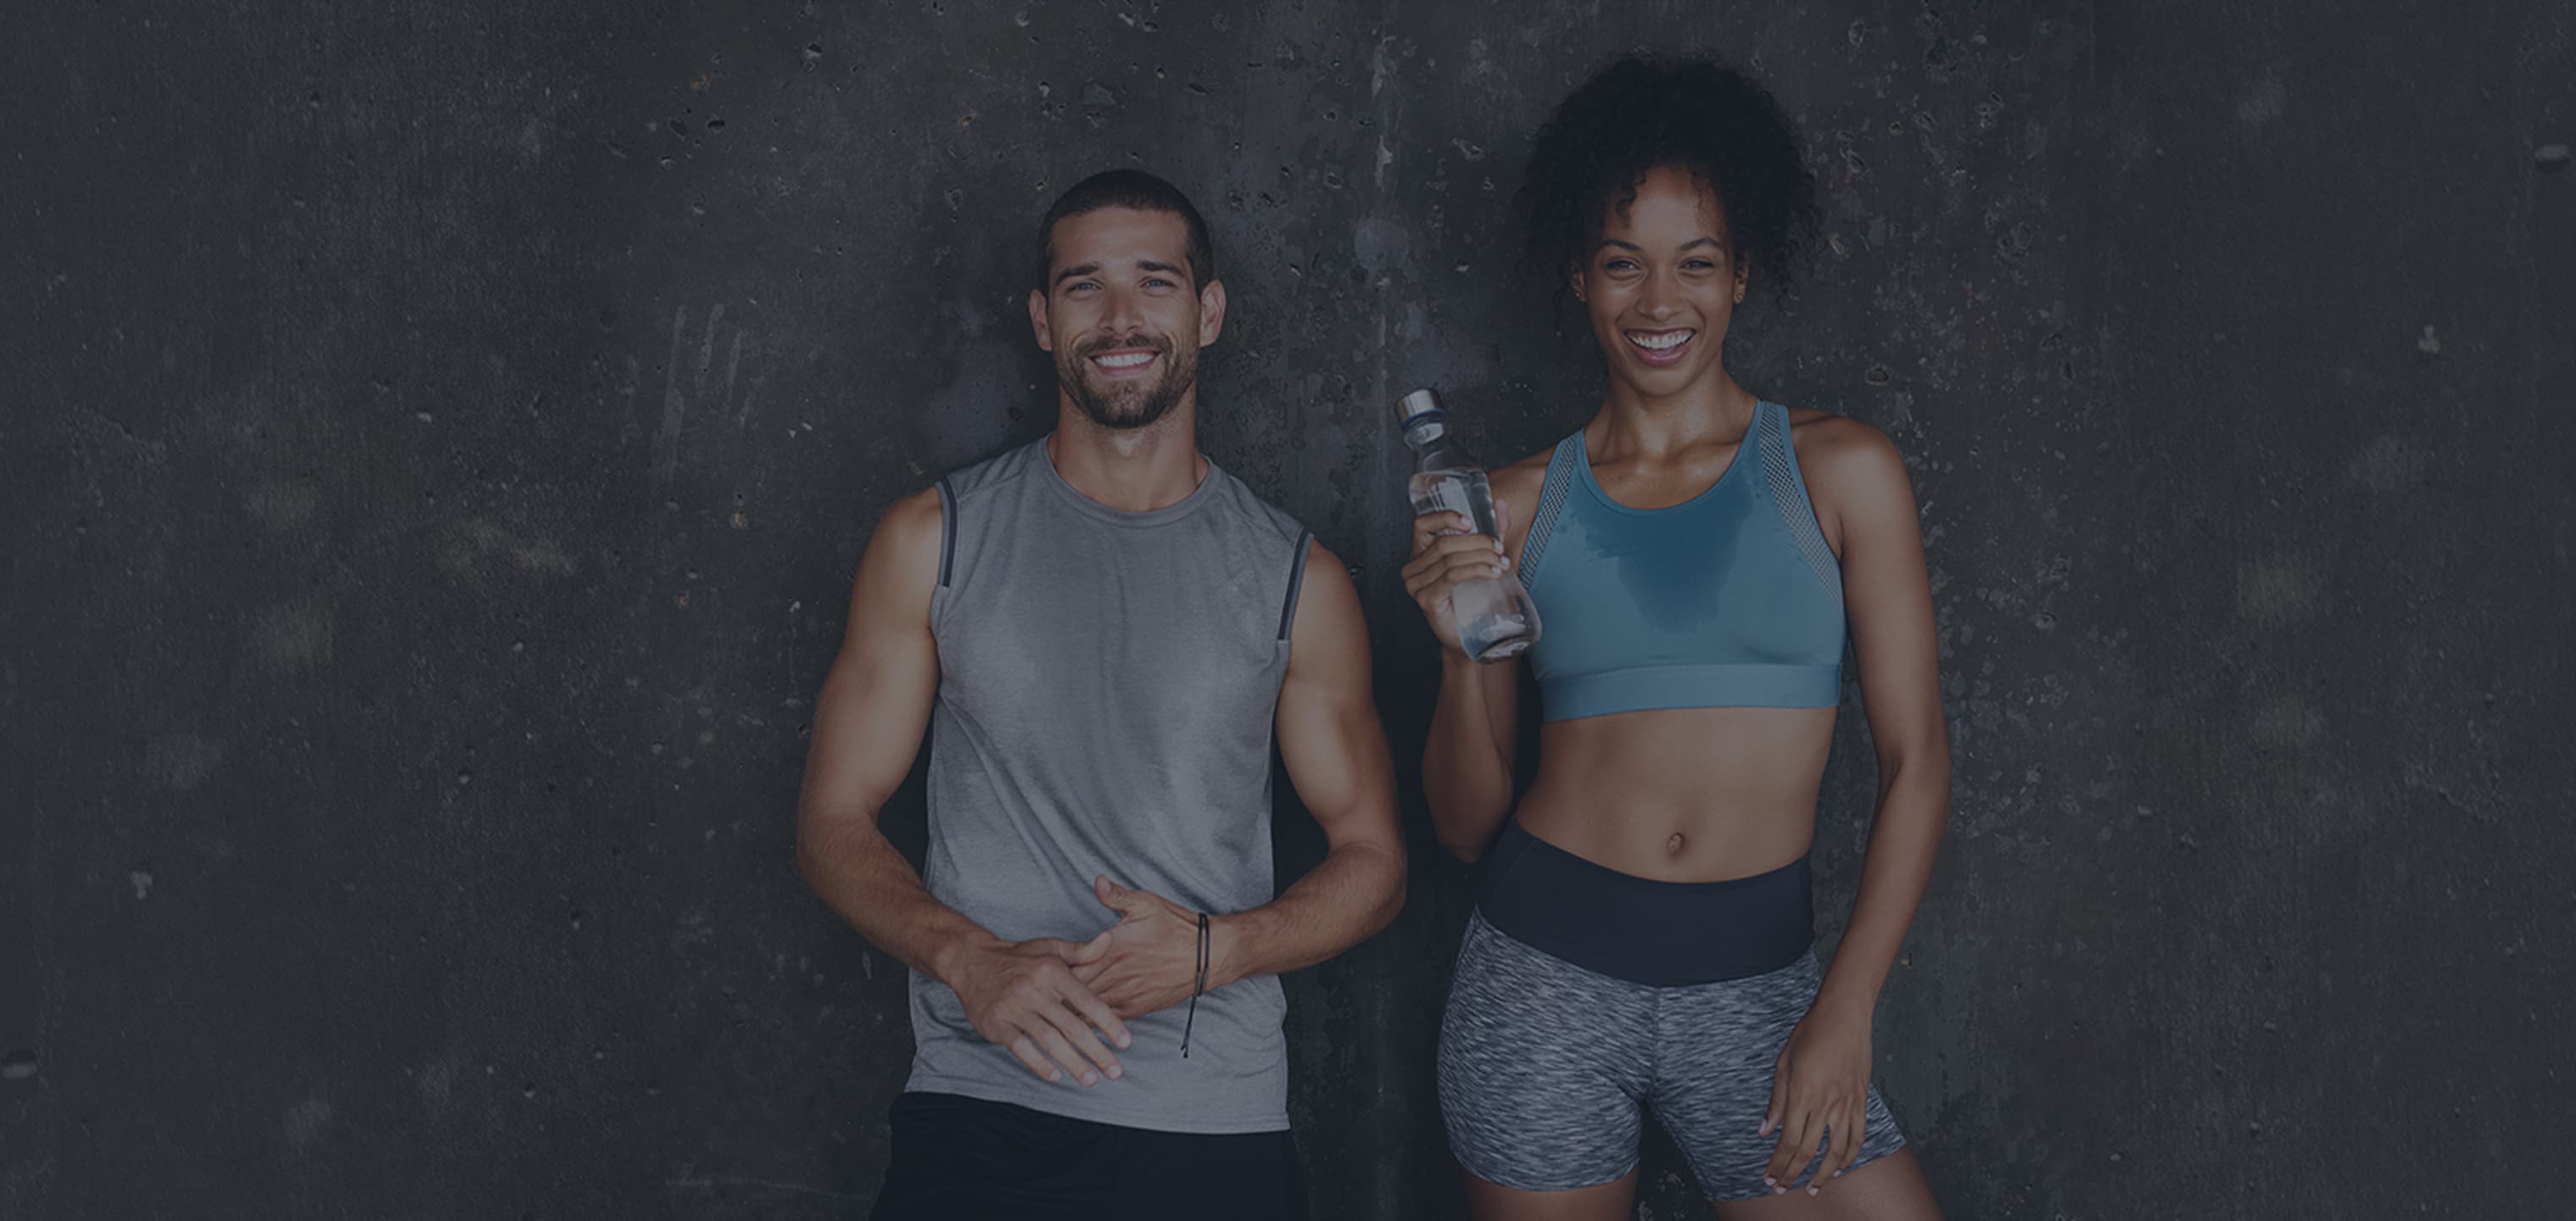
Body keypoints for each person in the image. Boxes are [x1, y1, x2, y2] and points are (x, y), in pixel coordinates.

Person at [796, 168, 1405, 1221]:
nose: (1121, 318)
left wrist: (1216, 952)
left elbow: (1378, 865)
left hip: (1212, 1117)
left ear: (1207, 313)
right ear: (1041, 319)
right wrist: (968, 959)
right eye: (1084, 287)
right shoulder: (933, 543)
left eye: (1155, 284)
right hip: (982, 1109)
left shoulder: (1298, 580)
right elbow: (829, 822)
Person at [1408, 57, 1953, 1219]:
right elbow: (1462, 827)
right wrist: (1462, 650)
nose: (1660, 304)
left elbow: (1917, 766)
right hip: (1542, 981)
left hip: (1757, 991)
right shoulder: (1507, 505)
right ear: (1580, 277)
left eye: (1695, 263)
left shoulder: (1843, 471)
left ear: (1743, 272)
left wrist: (1846, 1011)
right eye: (1624, 265)